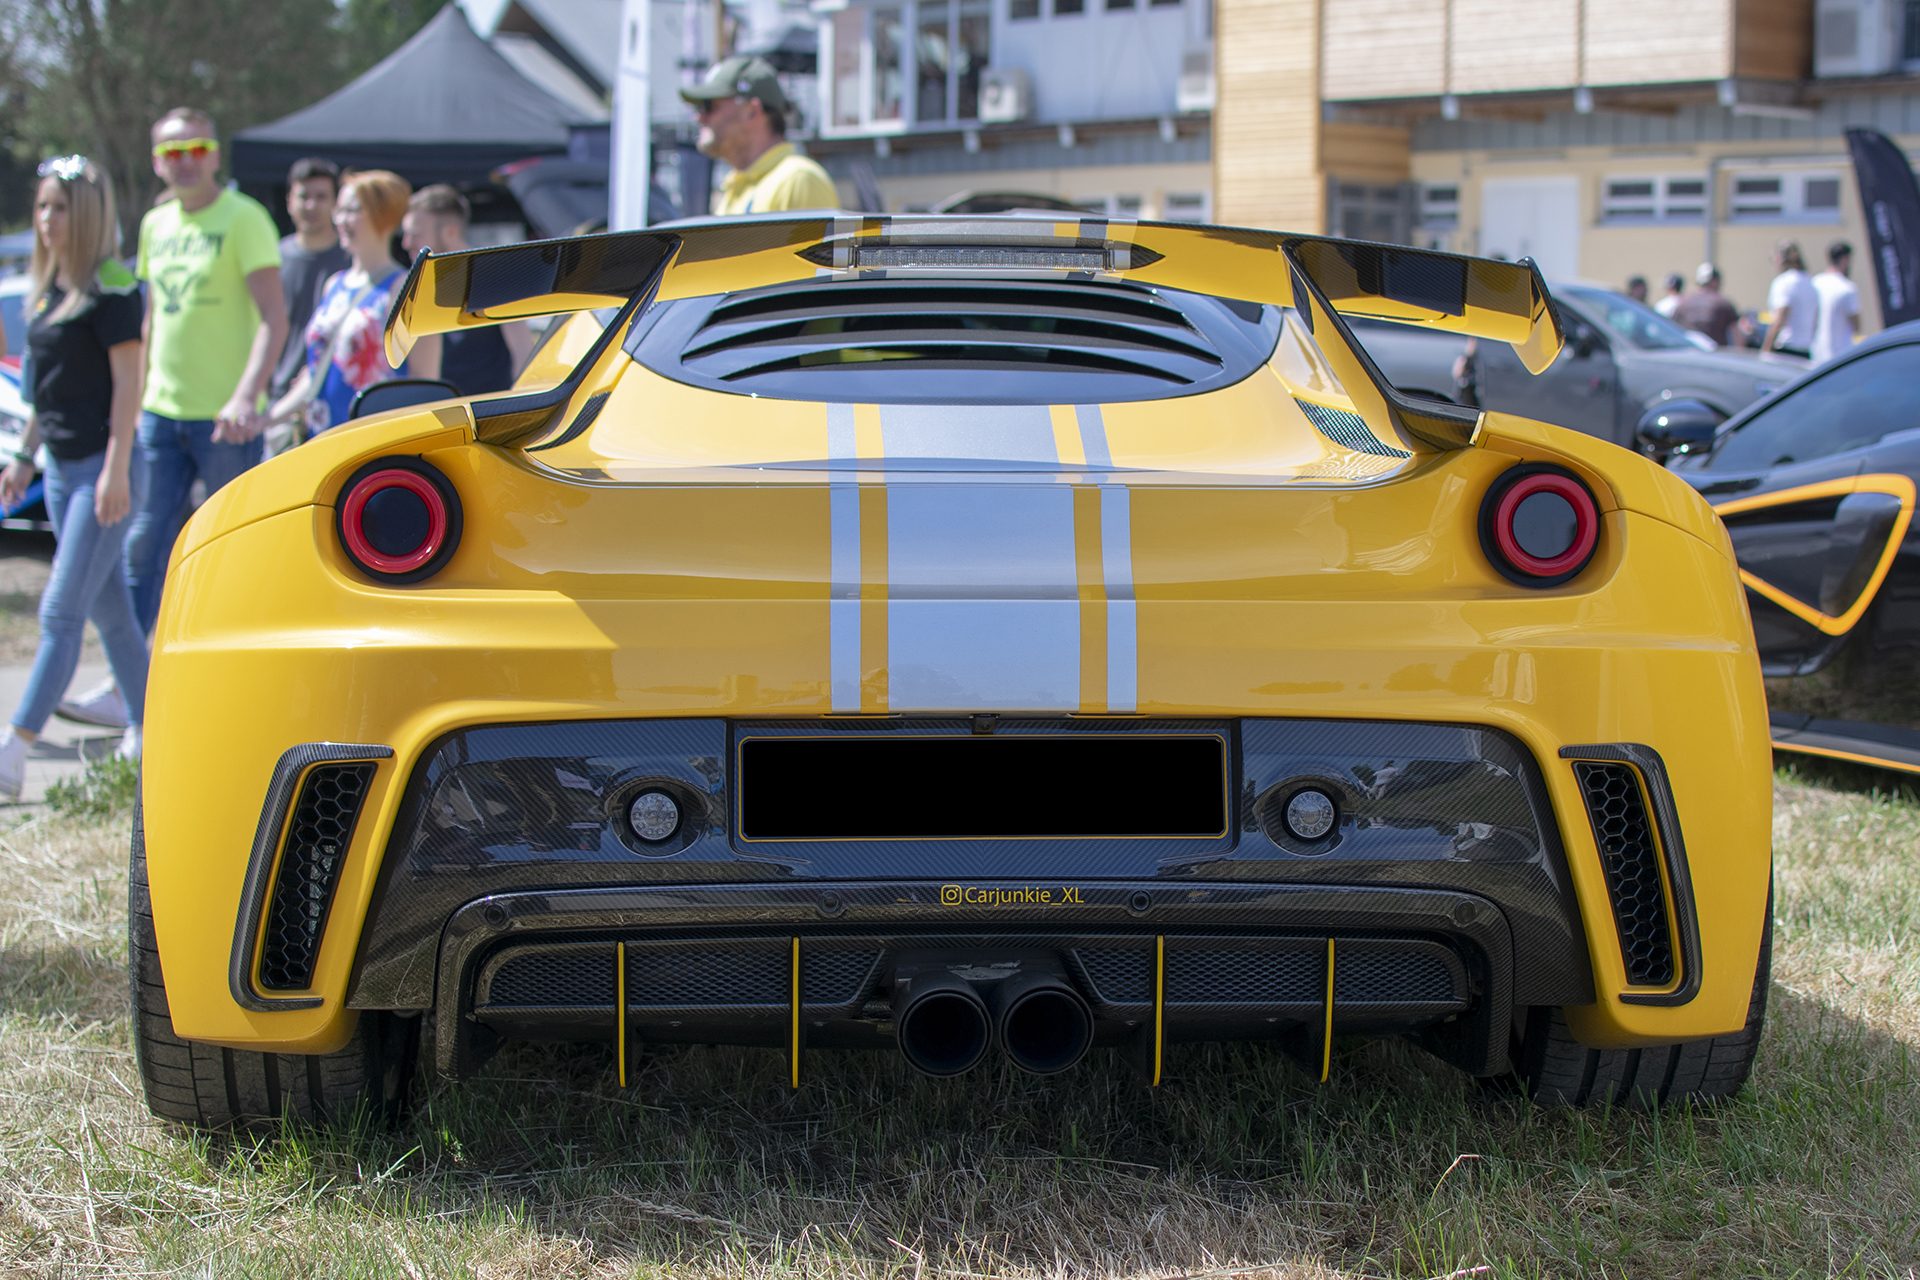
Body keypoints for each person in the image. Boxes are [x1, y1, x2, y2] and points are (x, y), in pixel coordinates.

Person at [0, 157, 149, 794]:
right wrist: (24, 456)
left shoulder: (115, 287)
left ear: (86, 217)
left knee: (61, 611)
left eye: (59, 208)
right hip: (60, 472)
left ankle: (13, 748)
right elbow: (46, 394)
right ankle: (149, 726)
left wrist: (116, 468)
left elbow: (127, 387)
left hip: (105, 471)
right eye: (40, 207)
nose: (46, 220)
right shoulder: (46, 290)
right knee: (111, 611)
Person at [123, 107, 285, 641]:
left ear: (214, 154)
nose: (185, 161)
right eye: (173, 152)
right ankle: (132, 675)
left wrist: (246, 396)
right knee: (144, 544)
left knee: (231, 544)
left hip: (224, 420)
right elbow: (150, 321)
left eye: (196, 149)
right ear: (156, 162)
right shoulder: (154, 223)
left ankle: (232, 653)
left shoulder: (244, 217)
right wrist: (134, 399)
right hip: (159, 412)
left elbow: (273, 319)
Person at [268, 169, 412, 436]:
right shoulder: (335, 284)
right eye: (340, 210)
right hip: (321, 438)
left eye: (353, 210)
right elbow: (316, 370)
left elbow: (424, 383)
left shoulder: (404, 289)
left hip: (374, 442)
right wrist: (268, 419)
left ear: (384, 215)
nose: (341, 220)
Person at [399, 185, 532, 395]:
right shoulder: (419, 285)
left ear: (450, 232)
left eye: (415, 234)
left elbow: (523, 355)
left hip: (487, 415)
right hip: (440, 415)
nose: (406, 244)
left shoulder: (492, 279)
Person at [681, 56, 840, 215]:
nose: (699, 117)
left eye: (709, 106)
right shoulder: (737, 184)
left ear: (751, 111)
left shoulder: (798, 181)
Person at [269, 157, 350, 400]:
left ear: (336, 202)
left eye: (322, 197)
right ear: (289, 202)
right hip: (279, 400)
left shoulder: (355, 260)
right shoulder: (271, 259)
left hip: (337, 401)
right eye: (303, 196)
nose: (311, 205)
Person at [1760, 239, 1818, 360]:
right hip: (1807, 350)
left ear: (1779, 259)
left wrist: (1766, 351)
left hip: (1786, 349)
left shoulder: (1783, 282)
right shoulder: (1810, 282)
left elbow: (1780, 319)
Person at [1811, 240, 1861, 366]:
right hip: (1841, 358)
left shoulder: (1814, 283)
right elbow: (1856, 326)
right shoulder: (1848, 288)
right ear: (1845, 260)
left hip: (1815, 355)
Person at [1674, 263, 1739, 347]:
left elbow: (1673, 330)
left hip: (1688, 355)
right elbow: (1737, 336)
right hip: (1715, 356)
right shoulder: (1723, 303)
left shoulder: (1683, 304)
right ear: (1716, 281)